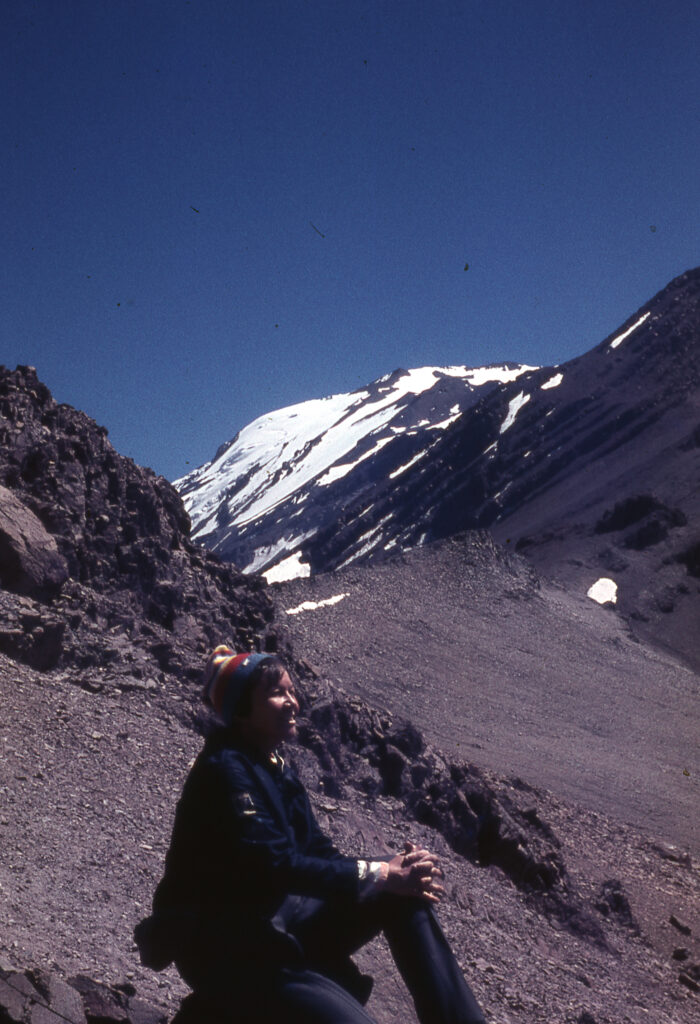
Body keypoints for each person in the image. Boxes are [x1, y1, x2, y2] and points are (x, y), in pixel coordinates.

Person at [136, 646, 487, 1023]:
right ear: (241, 711)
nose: (292, 702)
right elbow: (278, 866)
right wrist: (381, 874)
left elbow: (317, 849)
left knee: (401, 893)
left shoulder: (272, 764)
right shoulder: (227, 772)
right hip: (233, 949)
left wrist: (394, 873)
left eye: (291, 691)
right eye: (276, 694)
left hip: (277, 923)